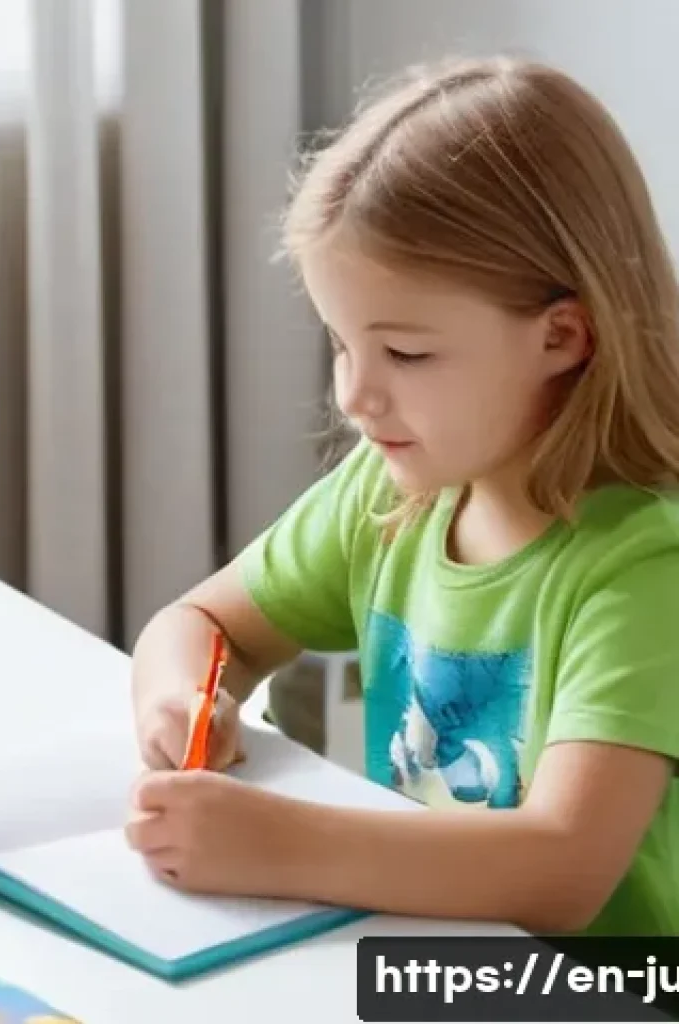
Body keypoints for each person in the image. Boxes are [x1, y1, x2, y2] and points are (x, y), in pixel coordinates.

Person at [125, 54, 679, 937]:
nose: (354, 395)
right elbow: (204, 624)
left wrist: (278, 846)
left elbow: (564, 869)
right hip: (433, 953)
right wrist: (180, 696)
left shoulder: (644, 567)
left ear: (564, 336)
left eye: (407, 354)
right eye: (343, 345)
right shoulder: (394, 496)